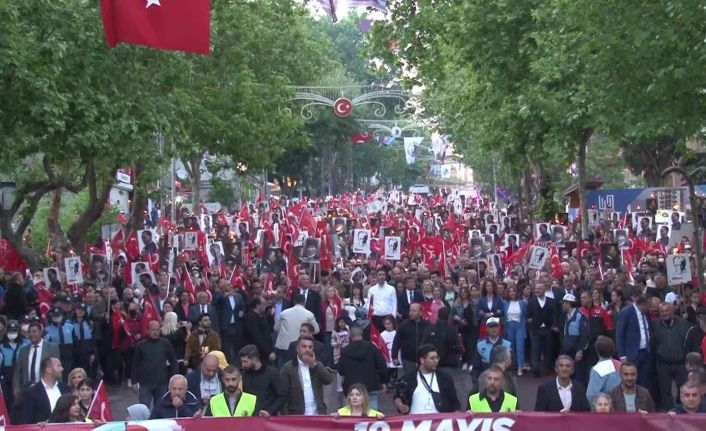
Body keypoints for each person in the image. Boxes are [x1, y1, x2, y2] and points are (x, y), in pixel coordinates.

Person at [393, 344, 460, 414]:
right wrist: (400, 406)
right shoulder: (407, 379)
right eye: (432, 358)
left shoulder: (445, 379)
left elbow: (455, 403)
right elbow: (397, 396)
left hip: (440, 422)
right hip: (414, 422)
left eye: (437, 358)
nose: (436, 361)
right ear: (422, 360)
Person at [280, 335, 334, 415]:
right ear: (297, 349)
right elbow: (283, 396)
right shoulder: (288, 368)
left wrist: (314, 365)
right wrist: (286, 417)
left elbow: (329, 380)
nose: (307, 350)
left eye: (310, 347)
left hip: (317, 413)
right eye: (304, 347)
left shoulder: (317, 365)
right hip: (297, 415)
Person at [337, 326, 387, 409]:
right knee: (372, 415)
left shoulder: (345, 351)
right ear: (361, 333)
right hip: (371, 386)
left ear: (350, 334)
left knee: (353, 416)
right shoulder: (372, 347)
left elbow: (340, 370)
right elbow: (382, 366)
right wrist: (383, 381)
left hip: (352, 388)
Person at [131, 320, 178, 409]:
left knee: (161, 409)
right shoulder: (141, 345)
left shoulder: (165, 343)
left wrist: (174, 377)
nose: (155, 332)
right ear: (148, 330)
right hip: (145, 383)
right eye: (153, 330)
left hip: (162, 383)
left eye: (157, 330)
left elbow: (173, 361)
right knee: (143, 408)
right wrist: (134, 381)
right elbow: (135, 364)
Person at [652, 301, 689, 410]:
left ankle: (682, 410)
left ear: (672, 311)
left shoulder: (683, 323)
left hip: (680, 361)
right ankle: (669, 412)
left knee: (682, 388)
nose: (665, 313)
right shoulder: (654, 325)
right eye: (662, 311)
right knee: (665, 390)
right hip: (663, 363)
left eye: (667, 310)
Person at [13, 321, 60, 397]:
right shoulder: (23, 350)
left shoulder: (52, 348)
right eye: (29, 332)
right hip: (27, 390)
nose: (31, 334)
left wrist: (58, 388)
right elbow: (18, 372)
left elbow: (57, 369)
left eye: (34, 331)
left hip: (46, 389)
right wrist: (16, 388)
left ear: (41, 332)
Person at [21, 357, 71, 424]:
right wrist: (38, 425)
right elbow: (27, 420)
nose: (62, 369)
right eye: (59, 366)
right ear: (48, 369)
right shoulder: (32, 392)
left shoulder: (66, 389)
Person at [616, 295, 652, 388]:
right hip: (632, 354)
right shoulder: (626, 312)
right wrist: (622, 355)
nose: (650, 308)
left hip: (645, 351)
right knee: (630, 380)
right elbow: (619, 335)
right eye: (649, 305)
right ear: (642, 304)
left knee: (644, 381)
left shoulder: (645, 313)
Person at [239, 344, 285, 417]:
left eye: (245, 361)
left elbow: (281, 396)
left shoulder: (272, 373)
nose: (243, 364)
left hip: (268, 419)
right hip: (250, 418)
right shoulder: (244, 375)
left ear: (254, 359)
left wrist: (270, 411)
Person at [274, 294, 319, 367]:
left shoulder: (284, 313)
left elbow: (276, 328)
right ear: (304, 302)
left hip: (284, 346)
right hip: (300, 347)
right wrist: (306, 332)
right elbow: (316, 330)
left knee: (283, 370)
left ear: (294, 302)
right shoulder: (309, 314)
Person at [526, 276, 556, 377]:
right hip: (535, 329)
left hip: (547, 329)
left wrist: (553, 325)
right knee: (535, 349)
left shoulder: (551, 301)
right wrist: (531, 321)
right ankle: (535, 369)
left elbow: (553, 315)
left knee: (548, 349)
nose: (537, 290)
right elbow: (528, 315)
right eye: (536, 289)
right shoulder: (531, 302)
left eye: (539, 289)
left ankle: (547, 368)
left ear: (544, 290)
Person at [392, 303, 430, 375]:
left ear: (420, 312)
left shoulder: (427, 325)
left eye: (414, 311)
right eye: (410, 311)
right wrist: (394, 356)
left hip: (423, 360)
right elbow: (396, 342)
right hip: (408, 360)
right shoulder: (403, 325)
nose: (411, 313)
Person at [560, 294, 590, 384]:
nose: (562, 305)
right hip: (568, 350)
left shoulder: (580, 316)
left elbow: (585, 335)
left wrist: (580, 351)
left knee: (579, 376)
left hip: (576, 351)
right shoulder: (566, 316)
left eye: (564, 303)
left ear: (569, 304)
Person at [214, 278, 245, 362]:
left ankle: (237, 363)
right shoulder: (220, 295)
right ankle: (227, 363)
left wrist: (242, 312)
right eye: (227, 285)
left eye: (230, 284)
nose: (230, 286)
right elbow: (218, 301)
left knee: (237, 346)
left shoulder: (238, 296)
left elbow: (243, 306)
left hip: (237, 325)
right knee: (226, 347)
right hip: (226, 326)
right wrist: (227, 294)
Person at [586, 336, 621, 403]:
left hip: (604, 409)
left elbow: (591, 395)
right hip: (621, 407)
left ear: (597, 351)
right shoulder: (622, 366)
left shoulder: (597, 369)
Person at [502, 285, 527, 375]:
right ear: (507, 293)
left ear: (516, 293)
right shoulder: (504, 303)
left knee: (520, 347)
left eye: (513, 291)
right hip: (509, 326)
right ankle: (514, 365)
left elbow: (525, 315)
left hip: (519, 326)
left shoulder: (522, 303)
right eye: (510, 291)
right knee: (511, 348)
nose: (512, 293)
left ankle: (520, 367)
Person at [243, 296, 275, 364]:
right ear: (257, 305)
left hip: (264, 352)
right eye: (264, 304)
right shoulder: (251, 318)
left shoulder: (262, 316)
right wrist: (268, 352)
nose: (265, 306)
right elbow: (257, 337)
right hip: (257, 353)